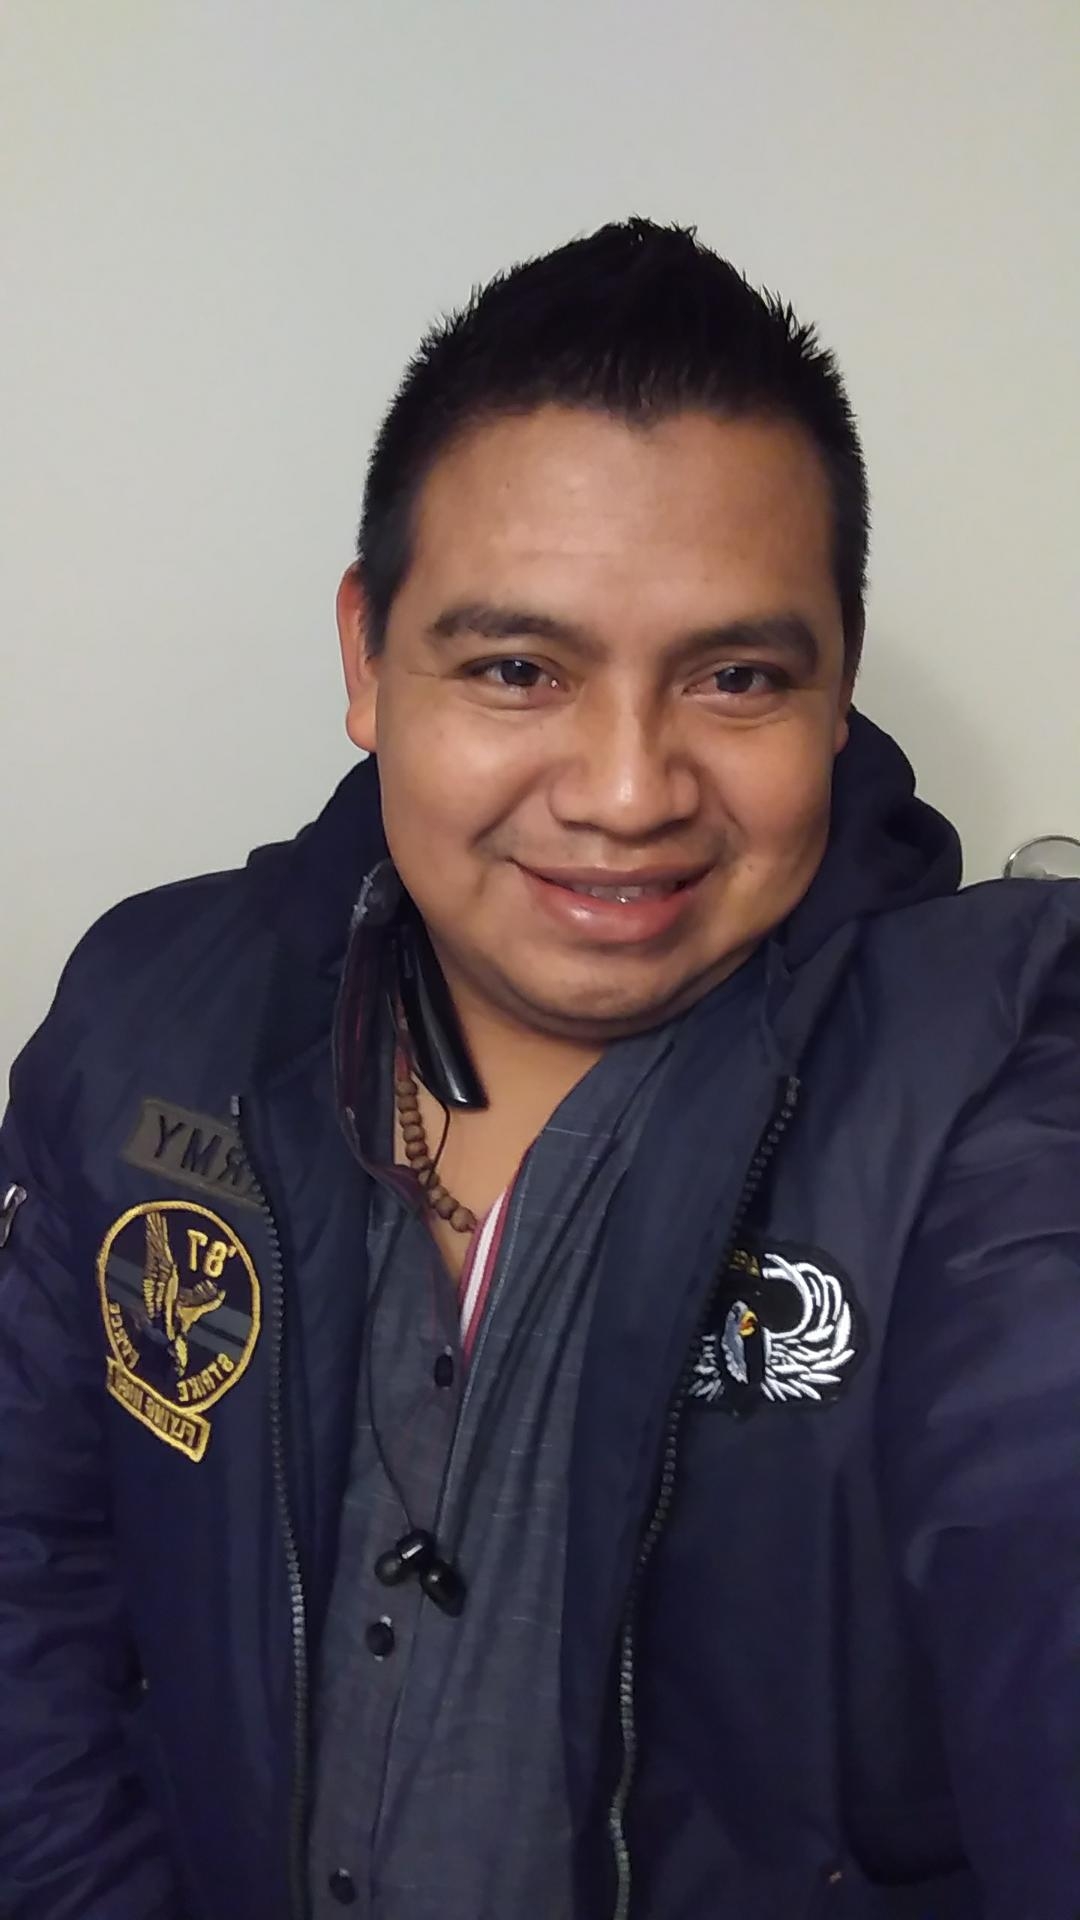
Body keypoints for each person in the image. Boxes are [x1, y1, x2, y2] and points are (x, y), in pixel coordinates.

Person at [0, 218, 1076, 1920]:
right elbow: (29, 1575)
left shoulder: (997, 1077)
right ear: (368, 658)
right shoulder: (153, 1014)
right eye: (519, 668)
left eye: (737, 676)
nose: (628, 791)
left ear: (840, 682)